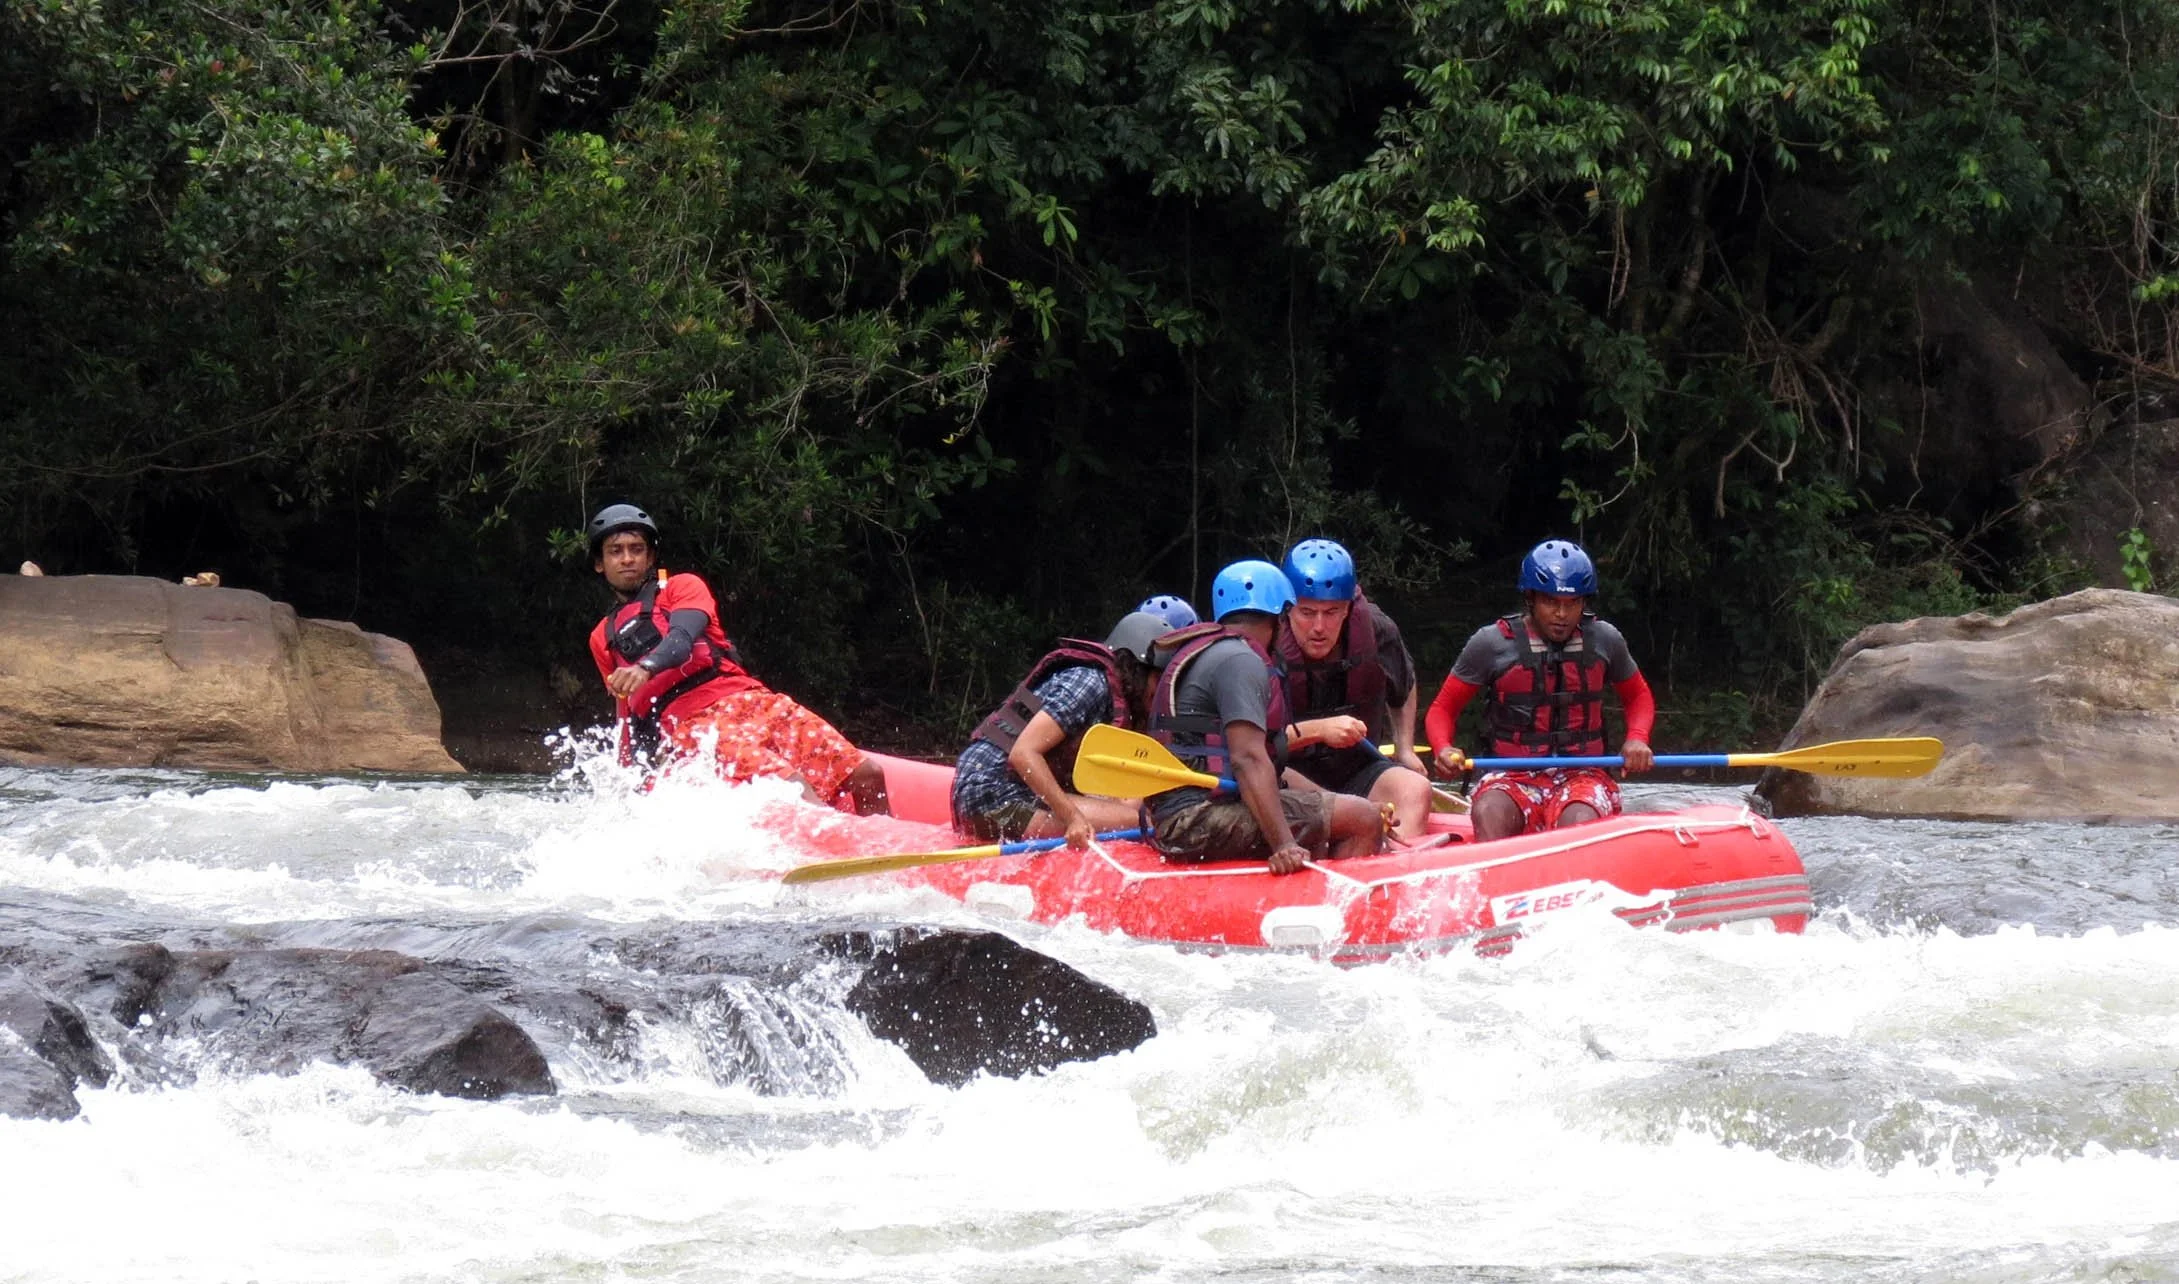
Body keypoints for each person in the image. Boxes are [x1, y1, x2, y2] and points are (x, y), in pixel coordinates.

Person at [585, 503, 889, 813]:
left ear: (650, 557)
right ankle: (835, 848)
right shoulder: (602, 637)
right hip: (696, 729)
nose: (627, 559)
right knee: (794, 791)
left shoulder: (682, 587)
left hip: (752, 701)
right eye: (615, 551)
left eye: (636, 549)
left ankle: (890, 852)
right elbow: (627, 717)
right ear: (600, 563)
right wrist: (629, 783)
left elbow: (681, 641)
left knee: (869, 776)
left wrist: (645, 667)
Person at [1143, 559, 1388, 874]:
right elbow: (1248, 759)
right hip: (1197, 819)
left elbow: (1265, 764)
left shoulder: (1213, 652)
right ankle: (1339, 914)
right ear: (1280, 616)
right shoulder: (1241, 660)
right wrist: (1283, 843)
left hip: (1182, 816)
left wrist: (1325, 805)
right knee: (1362, 818)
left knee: (1339, 812)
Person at [1423, 539, 1655, 841]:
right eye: (1551, 601)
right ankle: (1498, 879)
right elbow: (1443, 707)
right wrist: (1443, 748)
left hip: (1583, 774)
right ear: (1530, 598)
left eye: (1572, 603)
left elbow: (1638, 696)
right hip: (1510, 773)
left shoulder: (1605, 639)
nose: (1562, 614)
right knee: (1490, 811)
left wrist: (1637, 740)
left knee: (1579, 820)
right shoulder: (1491, 643)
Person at [950, 611, 1173, 847]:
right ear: (1136, 668)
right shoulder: (1090, 684)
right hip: (992, 796)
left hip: (1012, 792)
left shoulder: (1120, 703)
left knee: (1135, 817)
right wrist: (1073, 818)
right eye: (1158, 680)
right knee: (1143, 826)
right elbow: (1023, 753)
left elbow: (1125, 802)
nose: (1162, 692)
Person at [1273, 538, 1434, 839]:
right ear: (1288, 607)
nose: (1319, 626)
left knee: (1416, 789)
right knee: (1345, 811)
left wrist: (1405, 747)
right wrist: (1319, 729)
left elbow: (1405, 682)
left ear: (1348, 608)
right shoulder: (1265, 640)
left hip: (1357, 768)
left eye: (1332, 612)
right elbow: (1256, 745)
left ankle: (1395, 870)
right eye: (1307, 612)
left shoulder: (1377, 629)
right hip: (1288, 774)